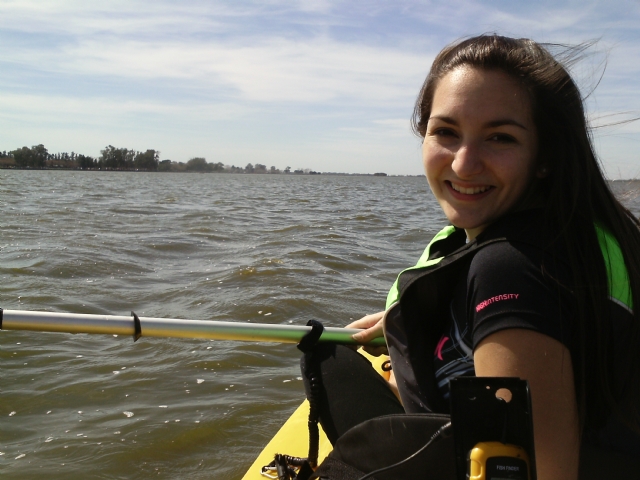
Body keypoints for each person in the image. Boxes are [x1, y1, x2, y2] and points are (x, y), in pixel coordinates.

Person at [301, 34, 640, 480]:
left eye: (500, 137)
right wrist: (416, 321)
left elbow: (542, 471)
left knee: (325, 359)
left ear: (545, 156)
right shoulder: (581, 235)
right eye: (446, 132)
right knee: (337, 362)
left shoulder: (510, 269)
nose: (463, 164)